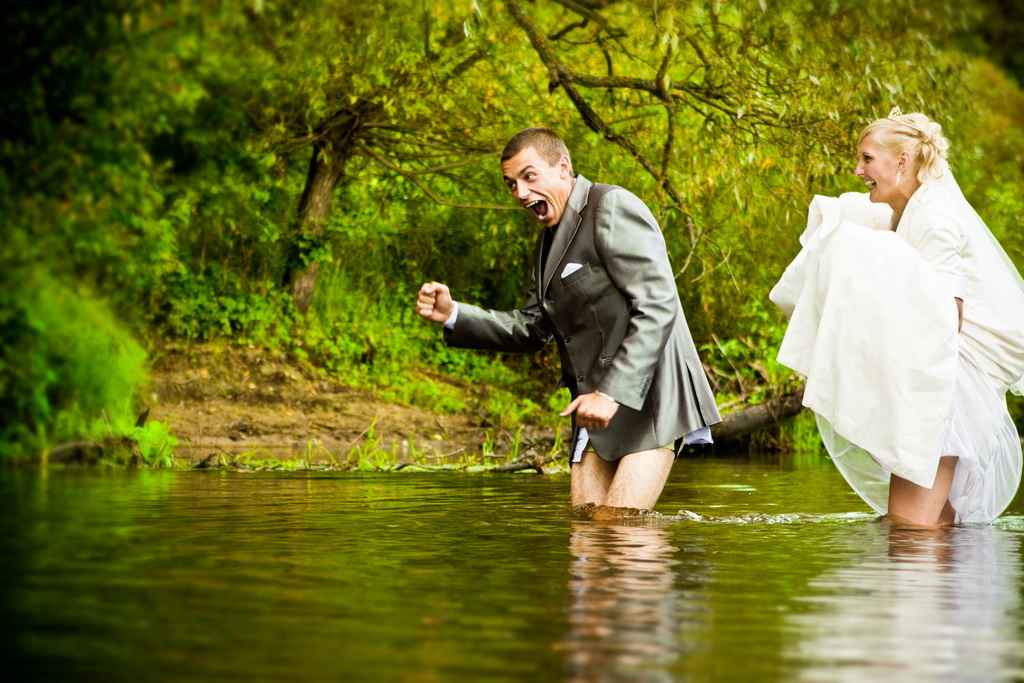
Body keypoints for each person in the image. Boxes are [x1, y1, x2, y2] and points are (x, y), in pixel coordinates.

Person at [417, 127, 721, 511]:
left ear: (563, 167)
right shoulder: (546, 242)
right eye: (511, 185)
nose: (521, 193)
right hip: (593, 406)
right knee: (588, 531)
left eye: (529, 177)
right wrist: (454, 313)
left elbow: (659, 304)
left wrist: (612, 393)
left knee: (618, 528)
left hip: (651, 395)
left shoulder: (612, 206)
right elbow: (531, 328)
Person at [771, 109, 1024, 526]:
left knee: (908, 531)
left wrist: (872, 256)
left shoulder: (934, 216)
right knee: (931, 527)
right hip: (931, 385)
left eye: (867, 158)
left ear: (902, 161)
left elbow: (949, 315)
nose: (857, 170)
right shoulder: (903, 212)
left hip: (943, 396)